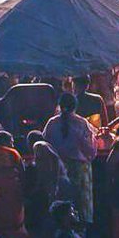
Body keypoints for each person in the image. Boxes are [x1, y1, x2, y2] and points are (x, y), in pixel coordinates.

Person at [43, 93, 97, 225]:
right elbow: (90, 151)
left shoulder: (52, 123)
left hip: (58, 169)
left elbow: (46, 144)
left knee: (61, 209)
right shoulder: (82, 123)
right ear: (75, 106)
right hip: (79, 170)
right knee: (81, 211)